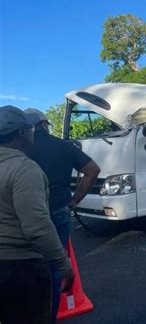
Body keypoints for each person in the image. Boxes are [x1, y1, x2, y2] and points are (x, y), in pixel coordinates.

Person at [24, 108, 100, 322]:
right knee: (56, 265)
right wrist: (75, 200)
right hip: (59, 210)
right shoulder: (65, 146)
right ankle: (51, 313)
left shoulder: (19, 149)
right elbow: (93, 170)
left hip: (26, 213)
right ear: (45, 124)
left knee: (25, 264)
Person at [0, 106, 74, 324]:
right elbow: (37, 227)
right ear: (23, 132)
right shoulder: (24, 168)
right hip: (20, 269)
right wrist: (64, 265)